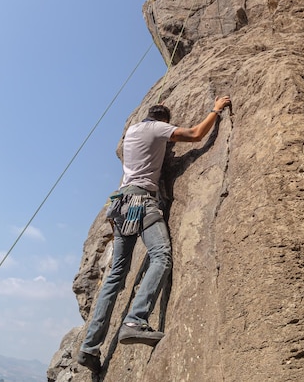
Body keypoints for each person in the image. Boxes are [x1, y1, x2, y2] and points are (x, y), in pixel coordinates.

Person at [78, 96, 231, 375]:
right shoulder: (157, 128)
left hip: (120, 205)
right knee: (160, 256)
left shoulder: (132, 132)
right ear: (163, 120)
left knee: (115, 276)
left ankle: (89, 347)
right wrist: (215, 110)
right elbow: (196, 135)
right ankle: (135, 321)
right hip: (141, 204)